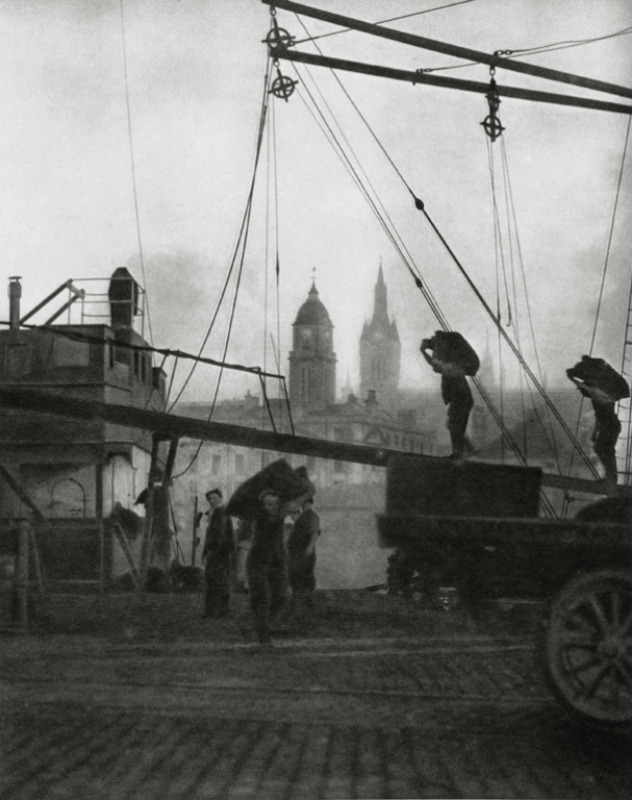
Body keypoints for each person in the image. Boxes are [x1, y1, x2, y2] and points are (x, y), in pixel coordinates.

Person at [566, 360, 625, 485]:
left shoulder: (600, 393)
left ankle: (611, 478)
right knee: (602, 449)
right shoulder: (597, 397)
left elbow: (589, 389)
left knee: (604, 449)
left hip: (611, 425)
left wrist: (573, 379)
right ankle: (611, 477)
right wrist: (595, 433)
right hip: (609, 425)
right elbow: (599, 417)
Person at [420, 333, 476, 458]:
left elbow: (434, 364)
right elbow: (435, 364)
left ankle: (459, 452)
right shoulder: (450, 365)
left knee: (455, 424)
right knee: (455, 424)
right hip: (461, 399)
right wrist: (426, 349)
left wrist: (424, 351)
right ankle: (464, 450)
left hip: (460, 399)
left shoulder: (448, 366)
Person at [246, 489, 289, 646]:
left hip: (276, 563)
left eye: (276, 504)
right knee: (261, 599)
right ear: (262, 505)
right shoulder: (261, 518)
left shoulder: (277, 518)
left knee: (282, 596)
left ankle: (262, 626)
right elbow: (273, 522)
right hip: (258, 562)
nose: (273, 506)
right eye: (270, 504)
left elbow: (279, 542)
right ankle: (263, 636)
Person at [201, 488, 234, 618]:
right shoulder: (218, 512)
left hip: (219, 552)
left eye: (214, 498)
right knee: (220, 581)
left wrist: (209, 552)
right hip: (220, 551)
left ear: (221, 497)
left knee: (215, 581)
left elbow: (218, 535)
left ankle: (215, 611)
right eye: (210, 499)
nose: (212, 501)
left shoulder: (221, 513)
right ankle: (221, 611)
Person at [286, 497, 320, 620]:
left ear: (308, 503)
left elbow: (315, 532)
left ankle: (301, 608)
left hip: (304, 554)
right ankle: (302, 607)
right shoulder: (303, 517)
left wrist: (310, 547)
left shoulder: (311, 516)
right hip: (298, 553)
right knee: (298, 579)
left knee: (301, 579)